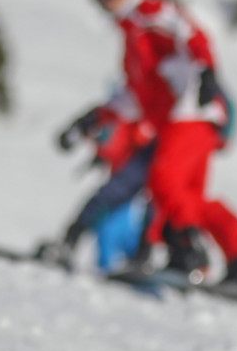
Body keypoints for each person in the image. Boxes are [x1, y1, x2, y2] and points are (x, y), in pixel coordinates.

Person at [78, 0, 237, 293]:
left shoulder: (148, 12)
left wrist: (207, 71)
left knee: (164, 181)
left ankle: (188, 255)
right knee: (187, 197)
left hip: (191, 113)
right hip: (183, 118)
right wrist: (94, 118)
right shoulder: (132, 33)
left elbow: (191, 33)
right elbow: (136, 96)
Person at [33, 101, 159, 272]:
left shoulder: (124, 115)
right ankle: (70, 243)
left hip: (152, 159)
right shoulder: (110, 115)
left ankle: (146, 257)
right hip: (134, 165)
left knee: (154, 207)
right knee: (108, 207)